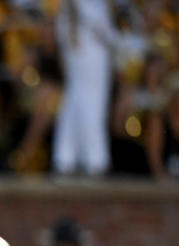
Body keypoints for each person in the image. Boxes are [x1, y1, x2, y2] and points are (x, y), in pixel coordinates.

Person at [52, 0, 119, 175]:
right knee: (93, 104)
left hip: (78, 52)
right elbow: (102, 26)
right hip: (91, 54)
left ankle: (65, 157)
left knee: (75, 102)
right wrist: (121, 43)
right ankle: (95, 159)